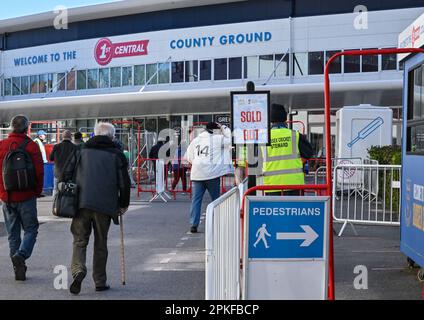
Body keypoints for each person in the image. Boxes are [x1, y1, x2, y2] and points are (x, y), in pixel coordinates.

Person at [69, 122, 131, 295]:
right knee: (101, 242)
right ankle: (100, 281)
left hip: (81, 203)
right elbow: (124, 183)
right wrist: (123, 204)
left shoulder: (80, 150)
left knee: (80, 240)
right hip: (105, 205)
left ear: (95, 134)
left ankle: (78, 269)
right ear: (111, 136)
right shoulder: (117, 155)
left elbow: (67, 173)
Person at [0, 115, 44, 281]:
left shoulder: (2, 145)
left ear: (11, 128)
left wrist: (2, 192)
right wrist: (37, 191)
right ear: (26, 129)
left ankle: (18, 269)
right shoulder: (31, 146)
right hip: (27, 196)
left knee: (13, 234)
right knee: (31, 229)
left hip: (7, 197)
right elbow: (39, 171)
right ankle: (22, 255)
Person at [185, 122, 233, 233]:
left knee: (196, 200)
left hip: (197, 174)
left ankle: (193, 224)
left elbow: (189, 157)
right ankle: (218, 222)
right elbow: (230, 139)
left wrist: (198, 164)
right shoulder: (217, 139)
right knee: (216, 199)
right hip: (212, 174)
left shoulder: (195, 140)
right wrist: (223, 127)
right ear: (216, 130)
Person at [261, 103, 313, 195]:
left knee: (275, 210)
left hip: (271, 185)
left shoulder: (263, 137)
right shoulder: (295, 135)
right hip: (294, 184)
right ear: (285, 118)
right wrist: (296, 163)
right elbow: (308, 153)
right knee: (294, 209)